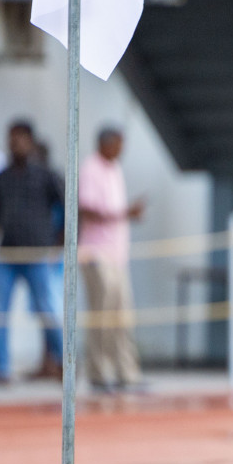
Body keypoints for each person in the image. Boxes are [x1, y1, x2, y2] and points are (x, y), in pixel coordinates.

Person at [0, 121, 65, 383]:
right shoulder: (2, 177)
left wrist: (61, 243)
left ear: (31, 142)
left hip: (37, 254)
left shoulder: (45, 175)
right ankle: (2, 368)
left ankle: (64, 360)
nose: (15, 144)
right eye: (12, 139)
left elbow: (68, 207)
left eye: (20, 139)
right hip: (7, 255)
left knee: (47, 310)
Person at [78, 126, 143, 391]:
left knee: (122, 316)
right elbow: (87, 208)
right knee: (101, 317)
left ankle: (126, 372)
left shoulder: (114, 169)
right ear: (105, 143)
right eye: (117, 144)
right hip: (96, 254)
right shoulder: (90, 168)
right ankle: (98, 371)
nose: (121, 150)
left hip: (117, 256)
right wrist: (124, 212)